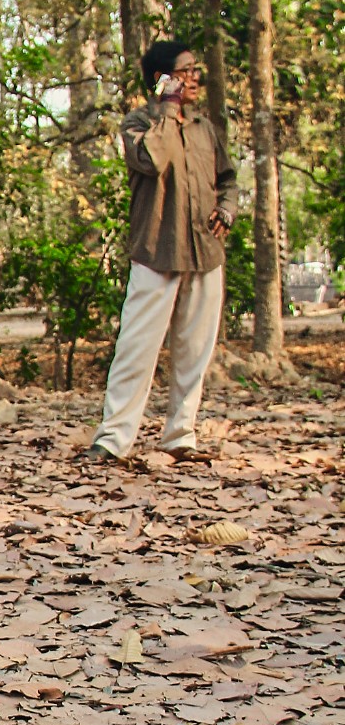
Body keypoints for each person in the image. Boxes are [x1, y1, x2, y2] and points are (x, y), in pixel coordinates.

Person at [88, 39, 237, 466]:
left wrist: (226, 209)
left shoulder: (205, 128)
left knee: (195, 350)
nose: (194, 79)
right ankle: (113, 439)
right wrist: (168, 111)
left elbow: (227, 180)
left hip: (205, 252)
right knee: (136, 348)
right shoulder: (139, 123)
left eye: (195, 70)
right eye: (185, 71)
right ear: (162, 78)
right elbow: (152, 161)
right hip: (157, 251)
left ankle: (180, 435)